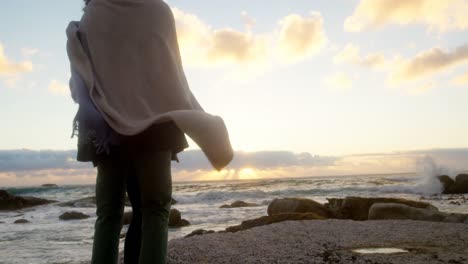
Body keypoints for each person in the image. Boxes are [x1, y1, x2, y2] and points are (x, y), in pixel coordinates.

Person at [66, 0, 234, 263]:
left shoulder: (93, 15)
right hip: (156, 126)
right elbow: (172, 74)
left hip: (107, 129)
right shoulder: (159, 11)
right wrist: (191, 113)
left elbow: (81, 83)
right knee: (155, 211)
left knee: (108, 214)